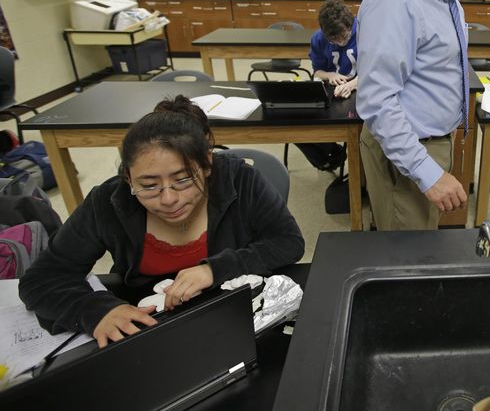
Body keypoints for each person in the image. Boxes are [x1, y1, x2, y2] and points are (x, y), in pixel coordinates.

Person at [19, 96, 305, 347]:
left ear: (207, 164)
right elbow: (43, 278)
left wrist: (215, 270)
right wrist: (95, 311)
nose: (168, 199)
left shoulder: (240, 180)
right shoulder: (107, 202)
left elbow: (287, 242)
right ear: (128, 177)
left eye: (183, 180)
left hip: (234, 322)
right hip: (150, 332)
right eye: (148, 185)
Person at [356, 0, 490, 230]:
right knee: (406, 259)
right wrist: (427, 171)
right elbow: (377, 101)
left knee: (422, 246)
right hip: (406, 152)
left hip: (428, 144)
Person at [294, 0, 358, 171]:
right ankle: (329, 156)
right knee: (294, 121)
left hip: (362, 89)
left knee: (358, 128)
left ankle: (357, 168)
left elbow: (377, 69)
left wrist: (352, 84)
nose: (340, 43)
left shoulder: (366, 31)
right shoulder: (319, 39)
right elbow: (317, 72)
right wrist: (329, 75)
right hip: (332, 91)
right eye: (333, 40)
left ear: (350, 25)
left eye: (344, 36)